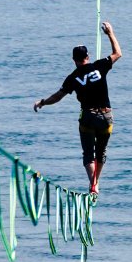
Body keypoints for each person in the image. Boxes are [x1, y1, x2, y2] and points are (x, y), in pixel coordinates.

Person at [34, 21, 122, 196]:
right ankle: (96, 182)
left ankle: (93, 184)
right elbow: (118, 53)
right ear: (87, 57)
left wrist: (42, 102)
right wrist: (110, 33)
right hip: (106, 116)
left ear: (74, 60)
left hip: (88, 118)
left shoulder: (72, 78)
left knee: (88, 154)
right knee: (101, 152)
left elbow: (57, 97)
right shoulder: (99, 66)